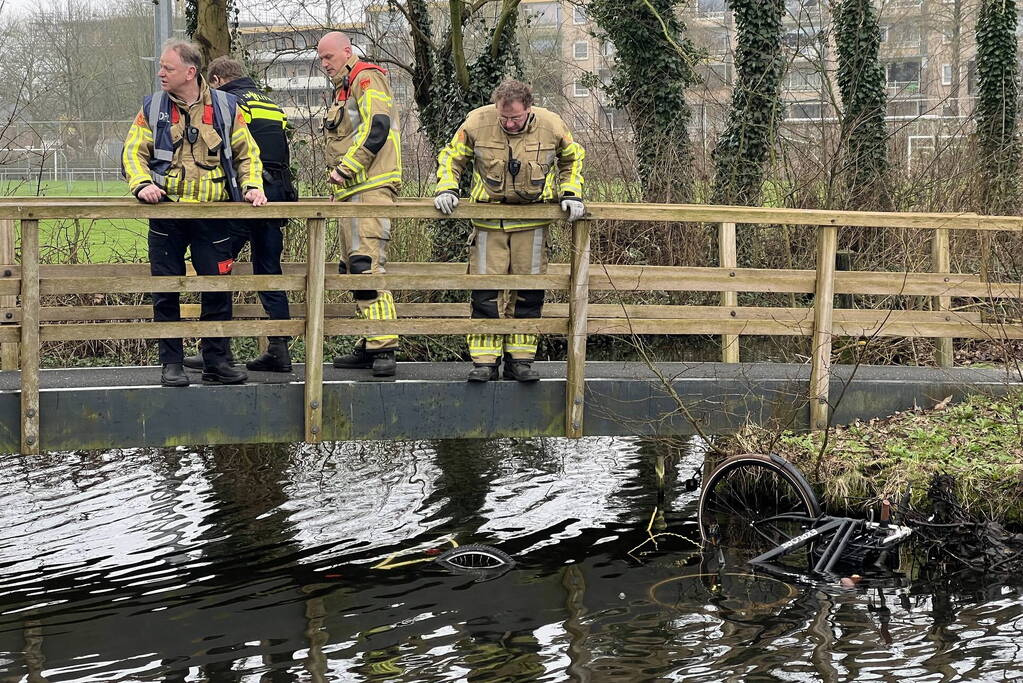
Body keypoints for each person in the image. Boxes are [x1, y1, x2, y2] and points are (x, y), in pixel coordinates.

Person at [122, 39, 267, 387]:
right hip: (167, 213)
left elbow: (248, 153)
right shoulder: (153, 107)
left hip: (213, 214)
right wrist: (142, 184)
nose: (160, 73)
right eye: (161, 66)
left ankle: (216, 361)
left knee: (217, 287)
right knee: (166, 289)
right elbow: (132, 152)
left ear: (190, 72)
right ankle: (171, 363)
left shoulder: (226, 107)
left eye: (167, 68)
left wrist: (252, 186)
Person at [433, 79, 586, 382]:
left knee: (528, 294)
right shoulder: (477, 121)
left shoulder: (552, 124)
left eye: (515, 117)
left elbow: (572, 159)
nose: (510, 123)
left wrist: (571, 193)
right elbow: (452, 156)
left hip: (532, 225)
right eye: (504, 118)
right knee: (485, 293)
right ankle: (485, 362)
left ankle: (521, 361)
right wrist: (447, 188)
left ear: (529, 109)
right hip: (488, 222)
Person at [179, 56, 297, 374]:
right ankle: (279, 350)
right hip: (275, 198)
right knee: (269, 271)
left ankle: (214, 351)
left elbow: (228, 148)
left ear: (216, 80)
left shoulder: (227, 102)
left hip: (242, 196)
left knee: (214, 270)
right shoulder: (270, 103)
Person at [316, 31, 402, 377]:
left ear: (347, 52)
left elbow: (377, 127)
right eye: (321, 59)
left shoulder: (366, 78)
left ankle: (384, 347)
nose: (324, 65)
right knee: (352, 267)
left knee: (367, 265)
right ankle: (371, 341)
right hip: (353, 189)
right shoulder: (344, 87)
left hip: (370, 185)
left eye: (329, 58)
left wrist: (347, 169)